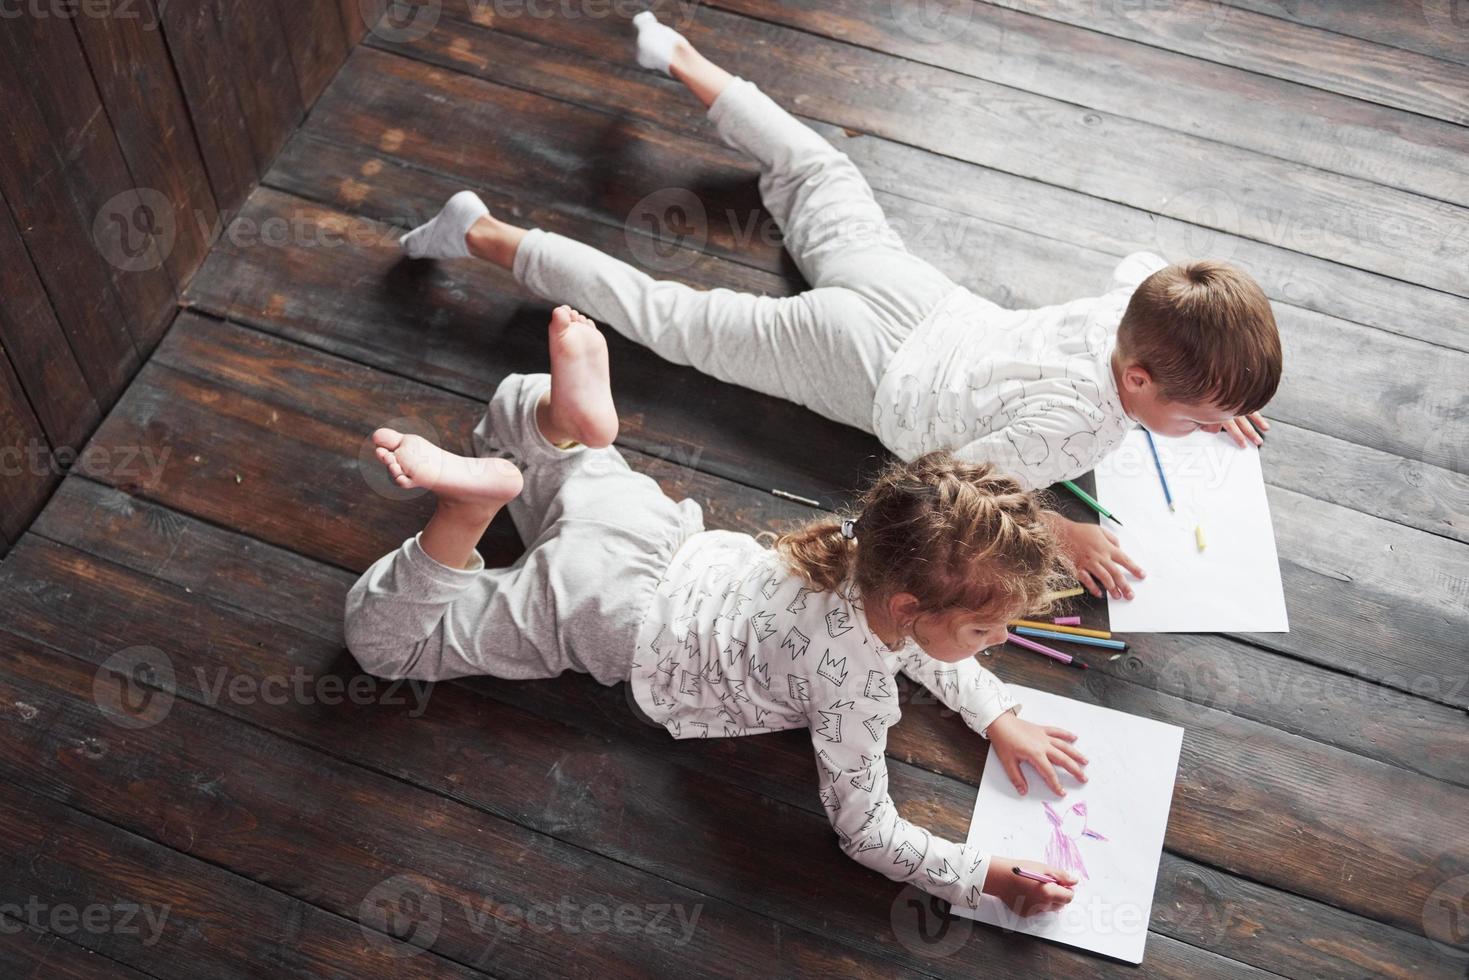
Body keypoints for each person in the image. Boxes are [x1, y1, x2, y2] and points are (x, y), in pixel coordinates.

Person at [344, 304, 1087, 914]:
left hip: (649, 532)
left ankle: (560, 419)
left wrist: (997, 715)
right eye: (985, 632)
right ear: (908, 605)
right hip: (607, 616)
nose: (991, 646)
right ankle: (463, 514)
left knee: (512, 427)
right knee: (387, 646)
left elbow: (926, 642)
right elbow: (865, 830)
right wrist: (979, 874)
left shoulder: (868, 547)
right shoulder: (854, 691)